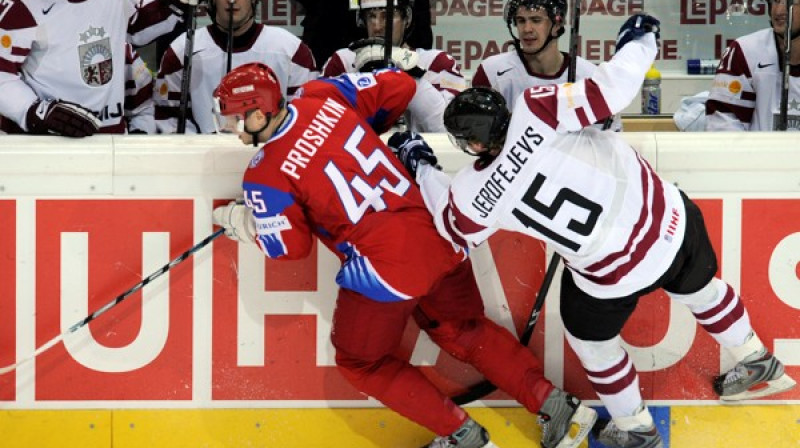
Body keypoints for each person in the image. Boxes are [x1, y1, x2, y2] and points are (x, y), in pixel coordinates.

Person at [391, 14, 796, 448]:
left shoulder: (473, 190)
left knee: (593, 343)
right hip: (671, 222)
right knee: (701, 290)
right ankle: (755, 356)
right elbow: (616, 89)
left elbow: (451, 225)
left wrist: (422, 165)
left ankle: (636, 427)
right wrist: (638, 39)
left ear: (470, 146)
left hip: (610, 277)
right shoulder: (537, 107)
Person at [210, 62, 597, 448]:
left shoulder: (265, 174)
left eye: (233, 118)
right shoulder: (320, 96)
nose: (229, 126)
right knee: (463, 328)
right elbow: (398, 86)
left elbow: (292, 249)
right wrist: (360, 128)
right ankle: (558, 406)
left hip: (385, 267)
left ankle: (463, 436)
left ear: (259, 113)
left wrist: (247, 224)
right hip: (438, 231)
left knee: (359, 361)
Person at [0, 0, 189, 136]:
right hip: (44, 145)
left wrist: (175, 5)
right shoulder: (21, 7)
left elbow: (138, 29)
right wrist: (34, 111)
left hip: (110, 137)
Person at [153, 0, 318, 134]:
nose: (231, 1)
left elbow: (305, 118)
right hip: (204, 164)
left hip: (272, 161)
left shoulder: (292, 51)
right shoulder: (182, 50)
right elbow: (168, 118)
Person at [471, 0, 620, 130]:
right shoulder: (491, 72)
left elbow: (607, 142)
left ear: (557, 24)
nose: (527, 29)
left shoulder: (592, 78)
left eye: (536, 20)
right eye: (521, 20)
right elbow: (478, 137)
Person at [322, 0, 465, 132]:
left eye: (387, 16)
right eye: (371, 16)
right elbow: (322, 125)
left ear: (407, 19)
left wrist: (408, 76)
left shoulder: (437, 63)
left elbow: (448, 130)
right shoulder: (343, 62)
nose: (377, 26)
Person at [706, 0, 800, 131]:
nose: (778, 11)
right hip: (757, 151)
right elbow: (723, 123)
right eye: (775, 1)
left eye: (790, 3)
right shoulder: (744, 50)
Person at [293, 0, 432, 70]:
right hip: (332, 43)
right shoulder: (340, 60)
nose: (378, 26)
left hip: (402, 51)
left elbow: (418, 20)